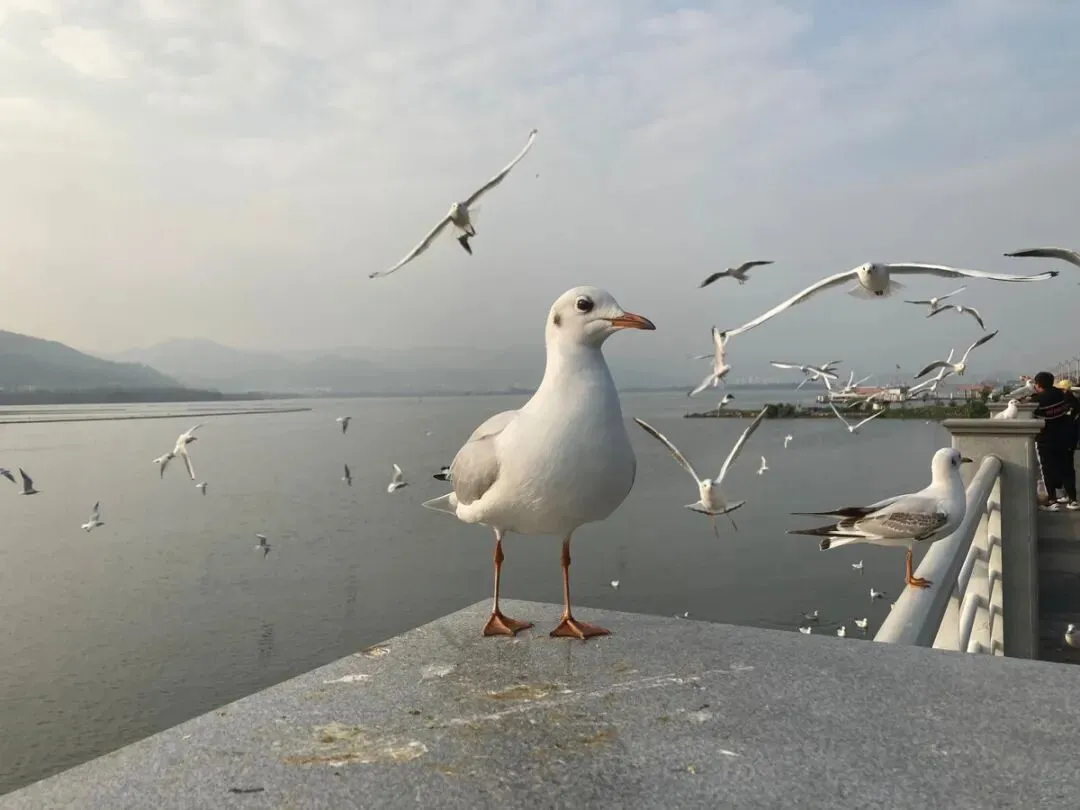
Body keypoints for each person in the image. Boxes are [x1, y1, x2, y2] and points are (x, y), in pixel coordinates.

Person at [1031, 371, 1078, 511]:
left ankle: (1052, 501)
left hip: (1046, 439)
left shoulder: (1038, 400)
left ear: (1038, 384)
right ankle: (1073, 500)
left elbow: (1033, 410)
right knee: (1067, 468)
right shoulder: (1063, 394)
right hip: (1066, 437)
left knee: (1048, 469)